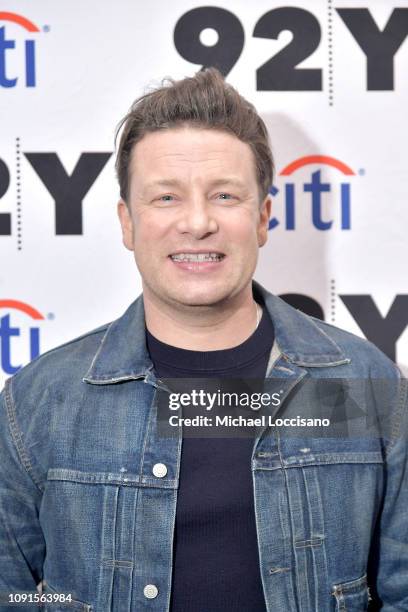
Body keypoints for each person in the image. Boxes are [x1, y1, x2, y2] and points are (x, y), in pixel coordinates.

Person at [0, 68, 406, 612]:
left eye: (224, 195)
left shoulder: (360, 383)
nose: (196, 222)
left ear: (262, 217)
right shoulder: (39, 401)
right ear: (127, 223)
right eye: (166, 197)